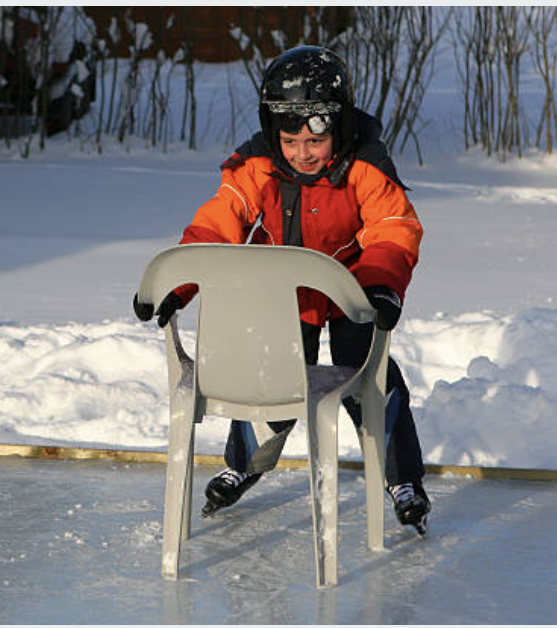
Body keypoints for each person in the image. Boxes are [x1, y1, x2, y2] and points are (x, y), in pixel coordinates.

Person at [133, 45, 431, 535]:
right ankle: (244, 464)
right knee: (270, 378)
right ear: (274, 135)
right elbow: (215, 227)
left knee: (372, 378)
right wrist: (175, 285)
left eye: (315, 140)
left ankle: (403, 479)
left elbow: (393, 227)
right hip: (283, 299)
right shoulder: (257, 168)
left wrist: (380, 288)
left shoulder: (366, 168)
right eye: (289, 141)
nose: (302, 153)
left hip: (353, 295)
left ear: (341, 130)